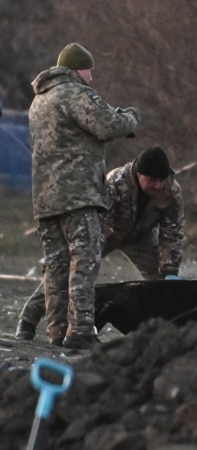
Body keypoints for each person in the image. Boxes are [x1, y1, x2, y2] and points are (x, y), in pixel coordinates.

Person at [29, 42, 140, 349]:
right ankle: (79, 331)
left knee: (56, 265)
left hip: (45, 199)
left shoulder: (40, 100)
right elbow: (107, 125)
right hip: (78, 195)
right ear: (79, 69)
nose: (92, 76)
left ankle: (56, 329)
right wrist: (131, 117)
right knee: (84, 259)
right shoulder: (76, 93)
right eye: (89, 69)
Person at [15, 146, 184, 342]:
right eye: (153, 180)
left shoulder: (171, 191)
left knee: (166, 285)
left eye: (161, 180)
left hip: (142, 237)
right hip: (106, 231)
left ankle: (170, 326)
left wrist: (170, 269)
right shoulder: (115, 182)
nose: (158, 185)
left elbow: (172, 231)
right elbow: (96, 219)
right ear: (139, 174)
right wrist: (91, 248)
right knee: (69, 272)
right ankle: (28, 319)